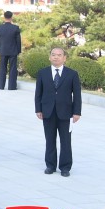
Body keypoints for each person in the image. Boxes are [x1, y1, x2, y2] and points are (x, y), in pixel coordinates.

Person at [35, 47, 82, 177]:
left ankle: (65, 167)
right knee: (50, 140)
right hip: (48, 112)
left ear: (64, 58)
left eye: (59, 55)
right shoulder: (43, 73)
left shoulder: (72, 74)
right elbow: (38, 93)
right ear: (49, 57)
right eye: (53, 55)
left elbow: (77, 95)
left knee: (65, 141)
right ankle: (50, 165)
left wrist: (77, 112)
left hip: (66, 113)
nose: (56, 57)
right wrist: (38, 109)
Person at [0, 10, 22, 90]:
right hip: (13, 51)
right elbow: (18, 41)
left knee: (2, 68)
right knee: (13, 69)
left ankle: (0, 86)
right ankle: (12, 86)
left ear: (4, 17)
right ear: (11, 17)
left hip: (2, 50)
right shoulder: (15, 28)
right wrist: (18, 50)